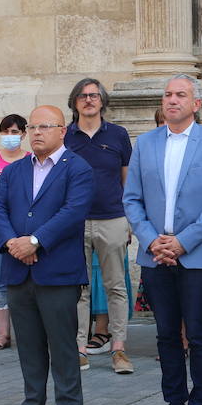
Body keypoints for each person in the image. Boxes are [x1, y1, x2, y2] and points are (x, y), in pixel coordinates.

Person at [123, 74, 202, 405]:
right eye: (168, 94)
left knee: (199, 334)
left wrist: (183, 242)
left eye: (180, 95)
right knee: (166, 335)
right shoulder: (146, 144)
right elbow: (132, 199)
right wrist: (152, 240)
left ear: (196, 103)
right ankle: (175, 404)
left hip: (196, 254)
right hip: (155, 254)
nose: (172, 100)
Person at [0, 105, 95, 405]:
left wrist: (34, 241)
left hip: (57, 271)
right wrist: (12, 245)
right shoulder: (14, 170)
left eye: (44, 126)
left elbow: (73, 211)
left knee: (62, 343)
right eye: (31, 127)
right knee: (29, 342)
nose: (35, 132)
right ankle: (32, 403)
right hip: (19, 269)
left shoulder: (77, 168)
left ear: (62, 131)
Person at [65, 78, 136, 375]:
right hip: (74, 222)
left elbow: (127, 180)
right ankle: (79, 349)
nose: (88, 100)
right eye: (82, 96)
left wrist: (130, 219)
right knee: (77, 289)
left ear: (103, 101)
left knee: (116, 286)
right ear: (74, 102)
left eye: (94, 95)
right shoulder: (65, 136)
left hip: (112, 218)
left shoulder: (118, 135)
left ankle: (118, 349)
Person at [0, 114, 28, 350]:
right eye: (5, 132)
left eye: (14, 132)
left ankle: (26, 331)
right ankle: (3, 334)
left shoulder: (30, 159)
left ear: (23, 134)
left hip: (21, 230)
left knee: (22, 280)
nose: (10, 137)